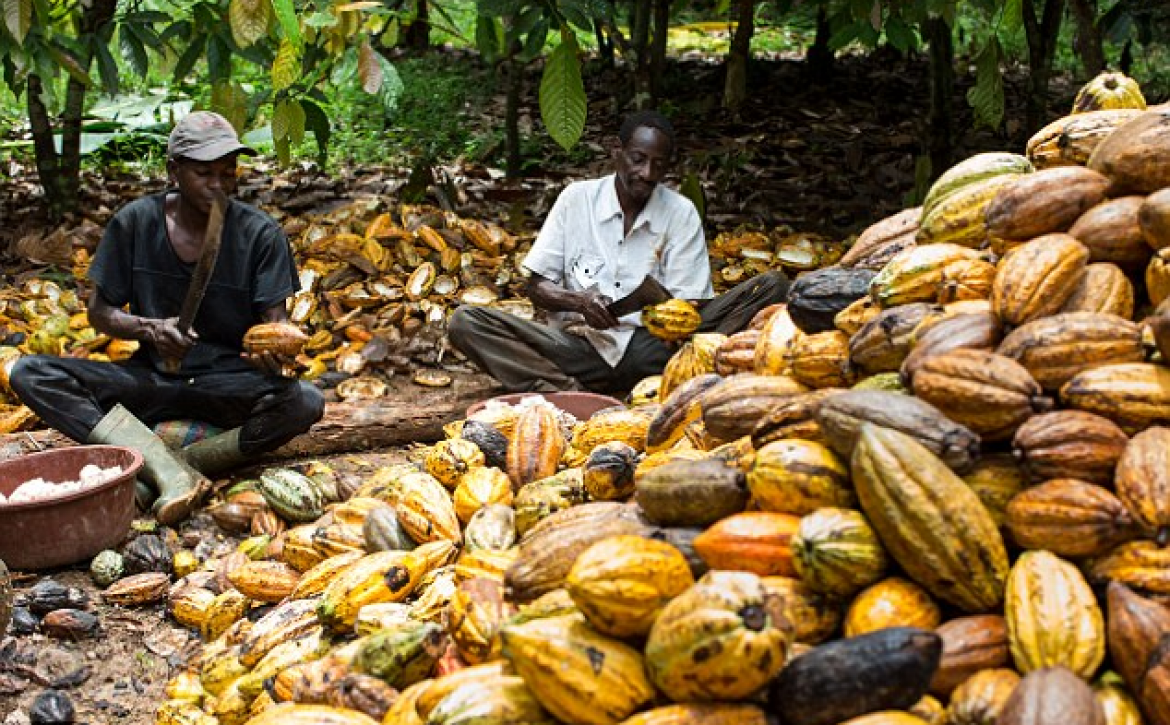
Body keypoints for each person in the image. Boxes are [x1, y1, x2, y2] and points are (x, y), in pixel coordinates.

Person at [9, 111, 324, 525]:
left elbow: (274, 329)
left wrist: (271, 359)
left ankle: (182, 464)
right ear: (173, 170)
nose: (218, 184)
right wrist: (149, 329)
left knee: (305, 401)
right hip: (152, 379)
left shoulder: (260, 234)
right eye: (204, 173)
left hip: (228, 384)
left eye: (227, 172)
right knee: (30, 373)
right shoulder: (136, 222)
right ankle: (164, 467)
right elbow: (100, 314)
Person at [448, 110, 789, 395]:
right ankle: (564, 391)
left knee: (771, 287)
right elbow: (536, 287)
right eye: (638, 160)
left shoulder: (680, 212)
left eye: (659, 165)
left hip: (653, 350)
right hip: (579, 347)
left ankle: (669, 380)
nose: (647, 174)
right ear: (617, 152)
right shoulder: (576, 199)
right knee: (467, 322)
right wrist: (577, 301)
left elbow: (693, 308)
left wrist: (662, 303)